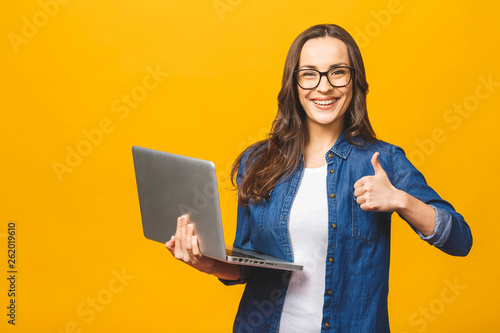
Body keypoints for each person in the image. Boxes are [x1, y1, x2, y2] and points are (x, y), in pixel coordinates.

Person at [165, 24, 472, 332]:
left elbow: (461, 240)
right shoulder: (258, 162)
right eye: (309, 74)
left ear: (354, 81)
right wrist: (206, 262)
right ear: (294, 83)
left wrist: (401, 200)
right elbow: (247, 267)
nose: (323, 87)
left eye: (337, 72)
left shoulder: (383, 161)